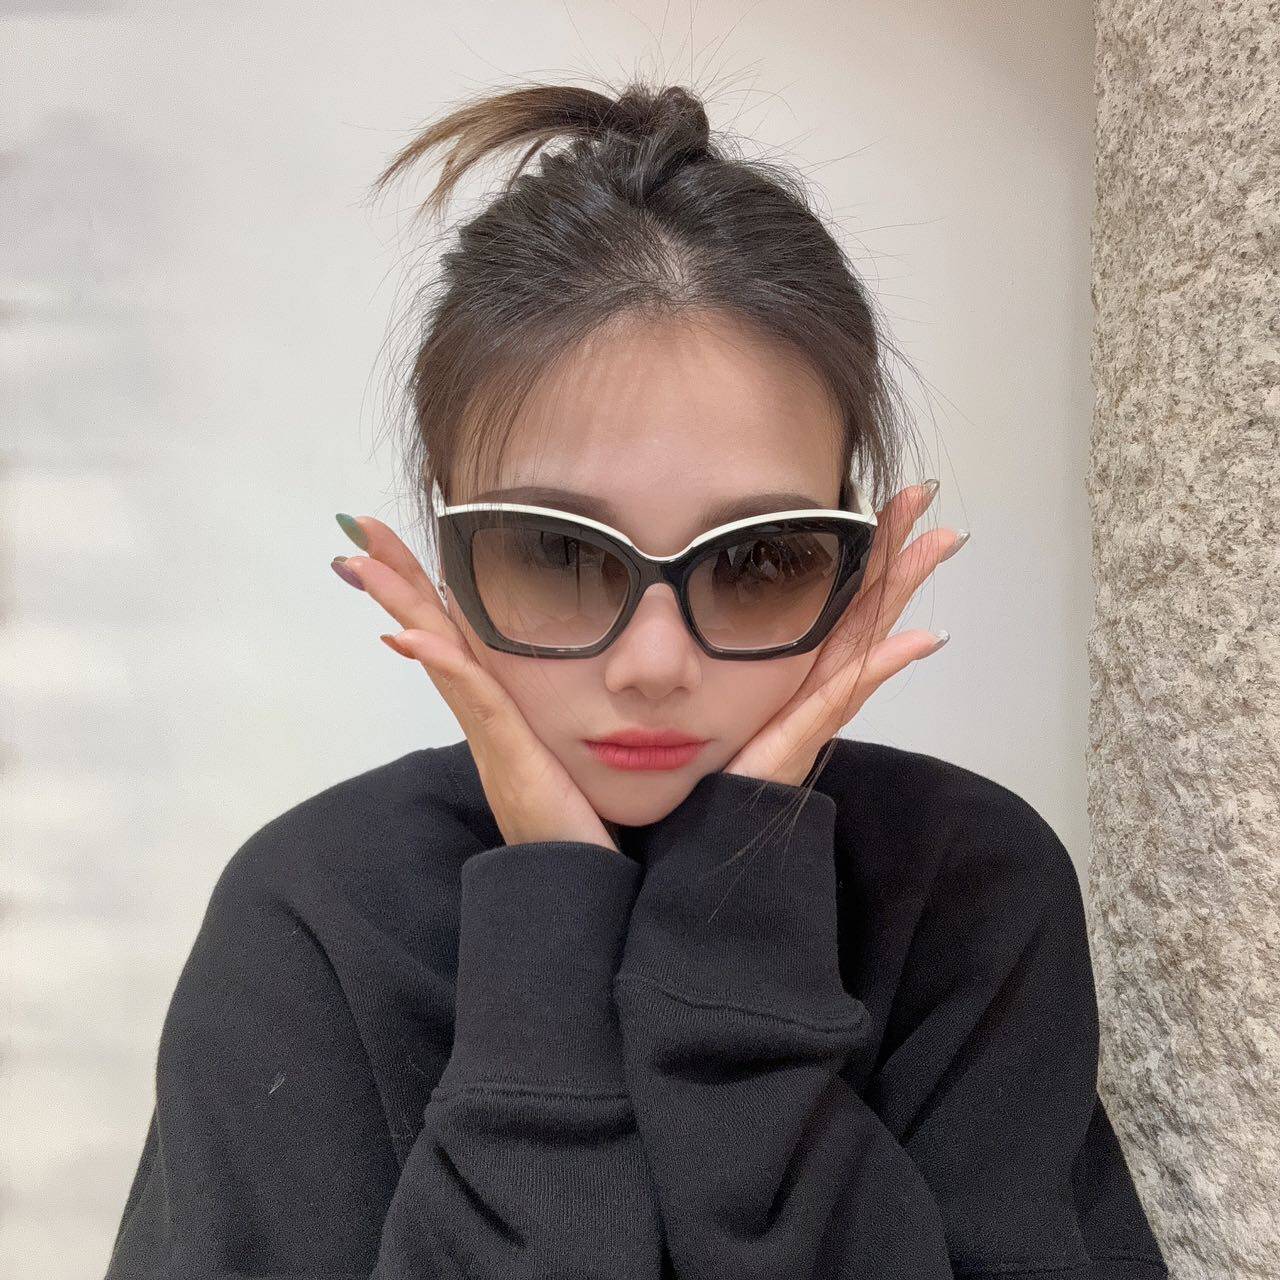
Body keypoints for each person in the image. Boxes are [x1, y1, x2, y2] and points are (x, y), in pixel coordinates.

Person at [103, 79, 1167, 1279]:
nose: (652, 663)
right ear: (445, 550)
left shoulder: (965, 886)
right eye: (556, 551)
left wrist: (732, 932)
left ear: (850, 556)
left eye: (758, 557)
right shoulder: (312, 912)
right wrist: (547, 949)